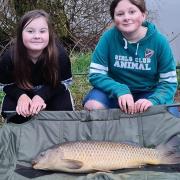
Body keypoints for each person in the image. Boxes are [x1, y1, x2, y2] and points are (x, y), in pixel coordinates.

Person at [83, 0, 177, 114]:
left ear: (143, 15)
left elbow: (168, 82)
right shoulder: (108, 38)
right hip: (114, 92)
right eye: (120, 14)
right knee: (93, 106)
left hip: (147, 93)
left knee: (156, 114)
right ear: (114, 18)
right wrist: (120, 89)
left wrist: (153, 100)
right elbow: (96, 74)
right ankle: (107, 130)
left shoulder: (159, 42)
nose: (126, 18)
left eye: (132, 12)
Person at [0, 9, 74, 123]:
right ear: (20, 34)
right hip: (22, 92)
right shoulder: (9, 57)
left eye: (42, 31)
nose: (37, 36)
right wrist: (21, 96)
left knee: (63, 114)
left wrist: (41, 96)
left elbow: (65, 82)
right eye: (30, 31)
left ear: (50, 34)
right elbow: (5, 85)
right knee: (12, 113)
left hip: (51, 91)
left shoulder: (60, 54)